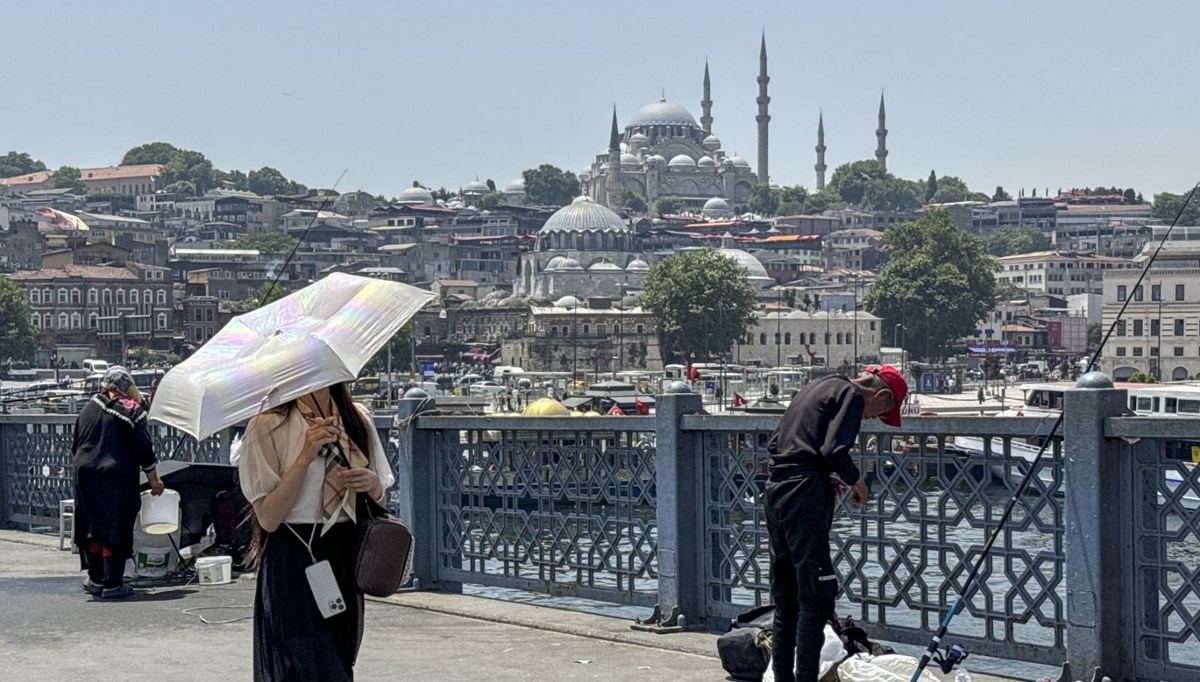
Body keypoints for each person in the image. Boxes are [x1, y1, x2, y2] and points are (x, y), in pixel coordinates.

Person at [238, 382, 395, 681]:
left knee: (340, 655)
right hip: (294, 552)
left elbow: (380, 496)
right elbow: (268, 518)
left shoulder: (356, 418)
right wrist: (304, 457)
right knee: (301, 664)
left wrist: (370, 484)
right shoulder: (267, 423)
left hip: (344, 550)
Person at [765, 365, 907, 682]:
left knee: (787, 597)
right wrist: (857, 482)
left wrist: (822, 475)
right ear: (882, 395)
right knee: (816, 596)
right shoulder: (853, 396)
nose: (873, 418)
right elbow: (834, 450)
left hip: (776, 491)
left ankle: (781, 677)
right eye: (882, 411)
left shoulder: (819, 384)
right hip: (803, 495)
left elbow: (778, 443)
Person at [72, 366, 165, 599]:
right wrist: (154, 480)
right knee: (115, 527)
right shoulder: (132, 410)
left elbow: (75, 444)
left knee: (93, 527)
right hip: (114, 477)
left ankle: (95, 579)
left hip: (83, 473)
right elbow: (144, 449)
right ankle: (113, 582)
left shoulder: (88, 408)